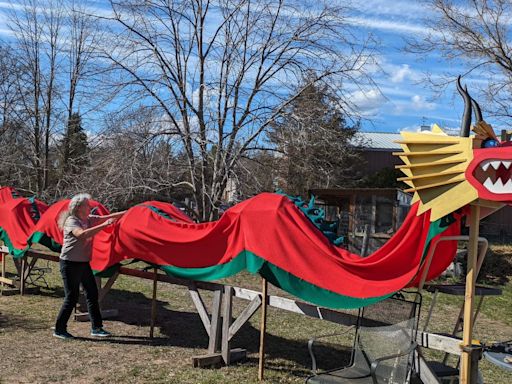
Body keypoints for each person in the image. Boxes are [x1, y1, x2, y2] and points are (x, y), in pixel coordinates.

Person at [53, 193, 125, 340]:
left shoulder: (88, 219)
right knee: (71, 297)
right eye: (87, 204)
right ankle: (59, 329)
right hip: (70, 263)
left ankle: (97, 328)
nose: (90, 206)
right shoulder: (71, 221)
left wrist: (130, 212)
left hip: (83, 263)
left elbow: (110, 217)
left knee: (92, 293)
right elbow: (81, 235)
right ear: (79, 208)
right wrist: (104, 226)